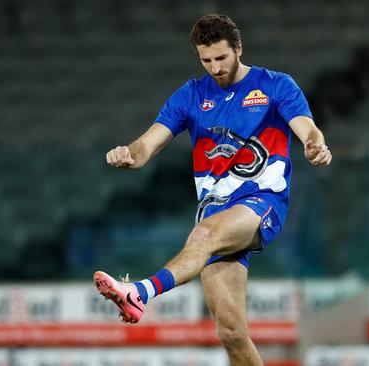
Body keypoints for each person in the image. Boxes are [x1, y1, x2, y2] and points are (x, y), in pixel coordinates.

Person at [93, 14, 331, 366]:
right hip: (215, 212)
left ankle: (138, 291)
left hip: (261, 201)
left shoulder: (276, 85)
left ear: (238, 48)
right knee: (232, 335)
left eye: (221, 58)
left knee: (202, 235)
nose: (215, 68)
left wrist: (314, 144)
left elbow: (307, 128)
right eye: (207, 60)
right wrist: (128, 153)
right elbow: (145, 147)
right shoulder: (190, 96)